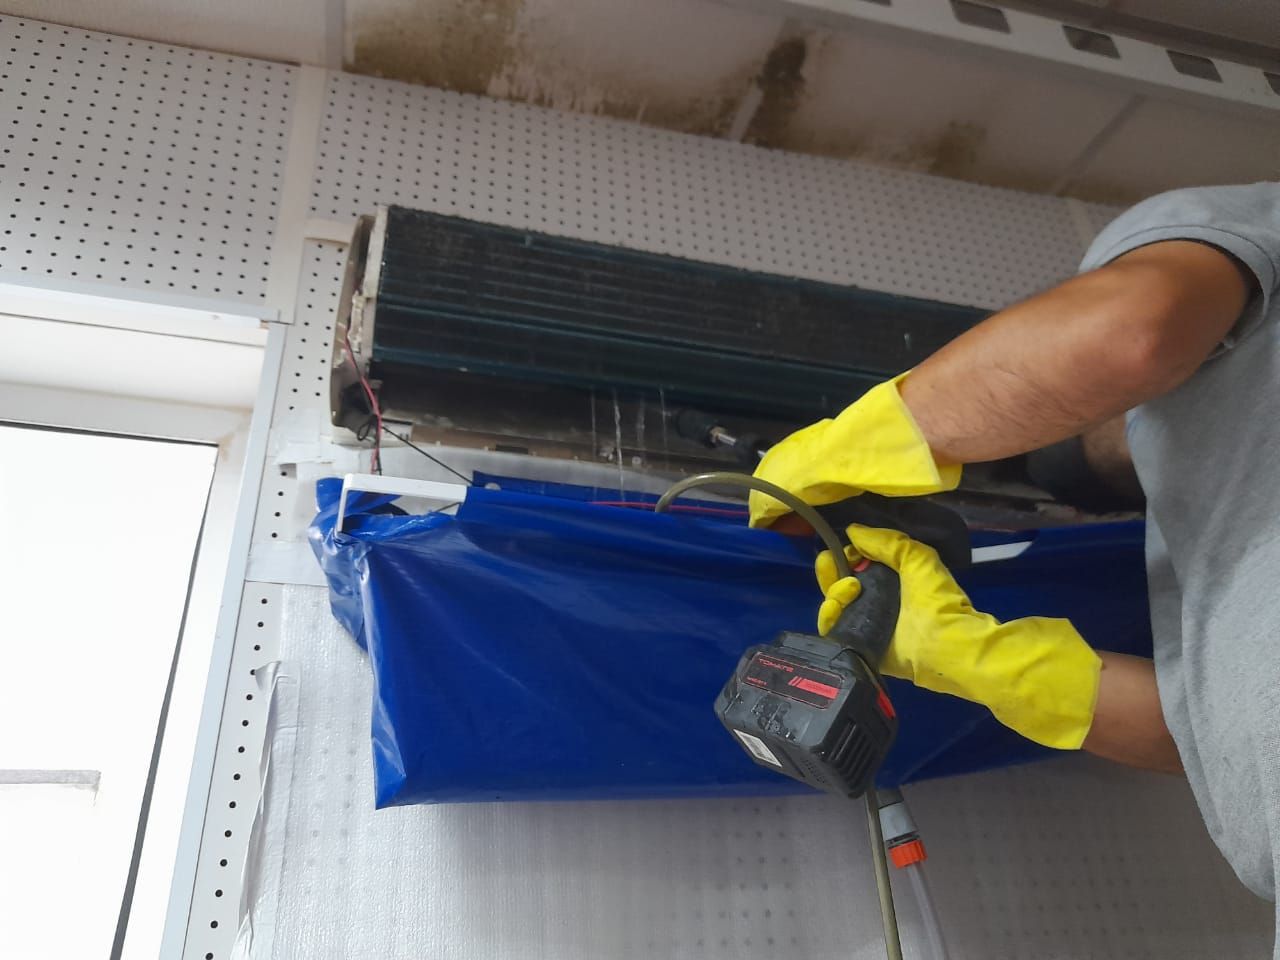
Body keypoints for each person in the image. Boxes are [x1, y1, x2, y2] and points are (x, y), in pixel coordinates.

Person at [749, 183, 1279, 947]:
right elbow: (1208, 746)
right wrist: (973, 658)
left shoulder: (1212, 229)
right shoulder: (1212, 554)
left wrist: (853, 444)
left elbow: (1129, 332)